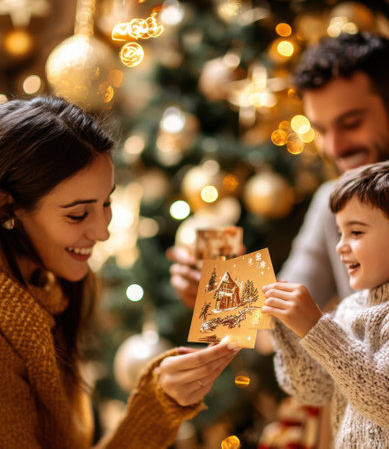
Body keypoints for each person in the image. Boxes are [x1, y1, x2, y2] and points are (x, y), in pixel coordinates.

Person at [0, 96, 240, 449]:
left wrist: (160, 401)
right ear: (8, 207)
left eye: (107, 203)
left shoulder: (43, 292)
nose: (102, 232)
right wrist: (154, 405)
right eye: (78, 214)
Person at [167, 31, 389, 311]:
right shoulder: (334, 203)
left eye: (351, 124)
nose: (334, 148)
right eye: (322, 130)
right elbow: (280, 320)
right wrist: (216, 296)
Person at [262, 160, 389, 448]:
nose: (340, 246)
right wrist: (285, 328)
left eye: (356, 232)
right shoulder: (351, 308)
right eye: (340, 233)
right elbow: (315, 389)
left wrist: (316, 327)